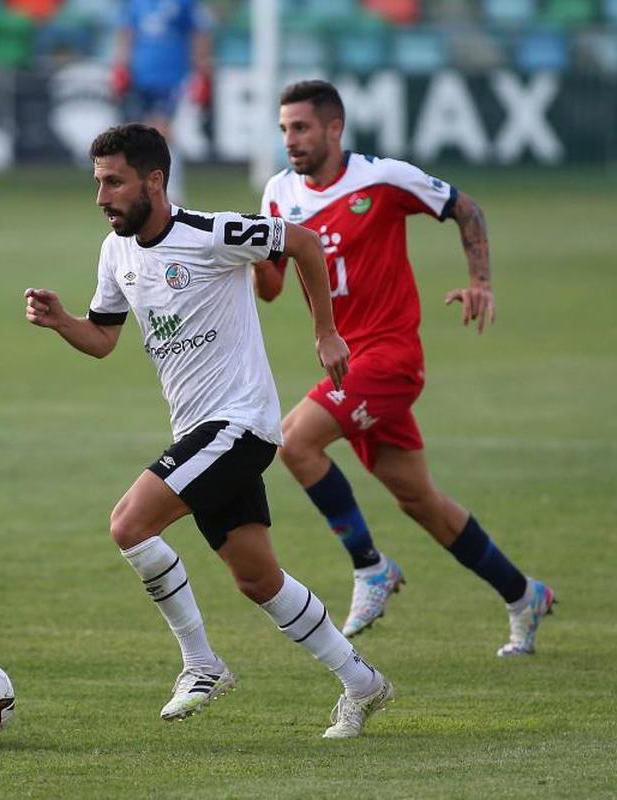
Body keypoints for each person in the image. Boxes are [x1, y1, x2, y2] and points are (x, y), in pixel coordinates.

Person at [25, 123, 393, 738]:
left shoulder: (211, 233)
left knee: (129, 524)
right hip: (200, 431)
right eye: (97, 183)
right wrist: (64, 321)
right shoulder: (115, 252)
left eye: (114, 182)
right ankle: (363, 683)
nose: (101, 197)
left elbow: (302, 243)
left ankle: (201, 663)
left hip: (240, 424)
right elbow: (104, 339)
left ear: (155, 180)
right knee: (257, 579)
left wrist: (325, 330)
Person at [255, 80, 554, 657]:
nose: (290, 140)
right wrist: (246, 256)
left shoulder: (382, 179)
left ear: (334, 128)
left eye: (301, 128)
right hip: (349, 367)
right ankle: (524, 595)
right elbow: (269, 287)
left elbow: (464, 208)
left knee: (293, 442)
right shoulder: (277, 193)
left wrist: (480, 283)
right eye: (284, 129)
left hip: (390, 357)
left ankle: (370, 568)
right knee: (422, 502)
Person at [109, 0, 213, 204]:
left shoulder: (185, 3)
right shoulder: (135, 4)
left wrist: (202, 68)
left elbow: (200, 33)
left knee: (163, 131)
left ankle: (171, 192)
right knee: (140, 134)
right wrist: (121, 66)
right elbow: (126, 33)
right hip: (141, 76)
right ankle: (147, 190)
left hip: (173, 76)